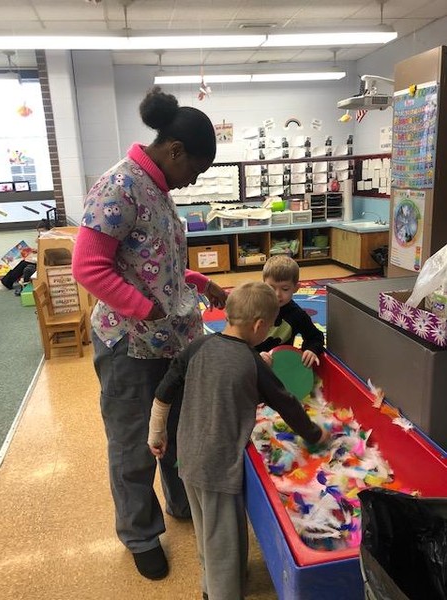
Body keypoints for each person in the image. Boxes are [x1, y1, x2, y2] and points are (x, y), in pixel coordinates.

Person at [71, 87, 227, 581]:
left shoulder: (157, 188)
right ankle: (140, 534)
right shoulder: (119, 185)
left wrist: (197, 282)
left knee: (178, 429)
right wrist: (145, 309)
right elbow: (88, 267)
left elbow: (155, 261)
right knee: (135, 441)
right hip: (130, 344)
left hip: (171, 340)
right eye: (195, 170)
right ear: (175, 150)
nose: (192, 181)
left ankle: (181, 500)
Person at [148, 281, 329, 600]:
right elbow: (285, 403)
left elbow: (165, 390)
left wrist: (156, 432)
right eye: (269, 327)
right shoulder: (252, 361)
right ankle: (220, 594)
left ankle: (213, 583)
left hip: (187, 456)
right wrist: (316, 434)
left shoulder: (198, 346)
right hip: (218, 466)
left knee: (207, 530)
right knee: (224, 542)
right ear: (260, 326)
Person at [256, 254, 325, 368]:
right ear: (263, 286)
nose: (277, 294)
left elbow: (315, 337)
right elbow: (238, 341)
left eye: (285, 289)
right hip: (252, 366)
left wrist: (310, 350)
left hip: (282, 367)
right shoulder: (253, 308)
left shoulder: (297, 315)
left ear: (296, 288)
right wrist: (256, 356)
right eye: (271, 288)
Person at [0, 219, 50, 294]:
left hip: (45, 263)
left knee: (24, 262)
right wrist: (36, 250)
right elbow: (43, 251)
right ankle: (5, 282)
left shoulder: (50, 239)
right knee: (22, 261)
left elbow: (47, 255)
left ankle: (5, 283)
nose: (40, 233)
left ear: (49, 230)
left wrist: (35, 257)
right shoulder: (43, 238)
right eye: (39, 232)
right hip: (42, 260)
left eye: (42, 231)